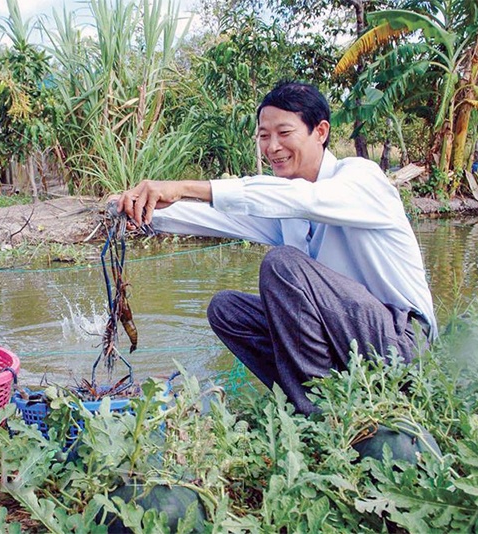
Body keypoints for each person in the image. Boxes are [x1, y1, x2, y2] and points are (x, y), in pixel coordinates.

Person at [117, 81, 436, 415]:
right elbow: (220, 220)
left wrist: (183, 186)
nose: (272, 147)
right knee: (227, 310)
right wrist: (142, 212)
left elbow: (307, 200)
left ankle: (320, 416)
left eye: (284, 133)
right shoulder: (289, 206)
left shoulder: (360, 178)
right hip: (345, 341)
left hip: (402, 341)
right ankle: (320, 399)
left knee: (283, 264)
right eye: (263, 136)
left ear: (321, 131)